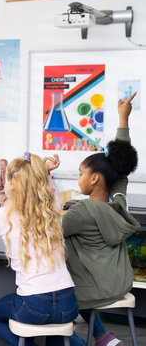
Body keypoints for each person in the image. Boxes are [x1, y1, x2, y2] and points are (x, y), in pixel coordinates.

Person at [62, 92, 140, 346]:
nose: (78, 178)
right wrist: (123, 119)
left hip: (95, 291)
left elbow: (45, 229)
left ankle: (79, 340)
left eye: (81, 173)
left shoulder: (81, 212)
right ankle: (103, 337)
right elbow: (120, 167)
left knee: (54, 285)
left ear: (95, 178)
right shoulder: (119, 202)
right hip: (120, 282)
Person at [0, 152, 79, 346]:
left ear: (11, 185)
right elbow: (49, 194)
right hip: (68, 302)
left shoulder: (0, 215)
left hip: (33, 305)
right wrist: (45, 173)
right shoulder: (52, 209)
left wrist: (40, 172)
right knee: (56, 334)